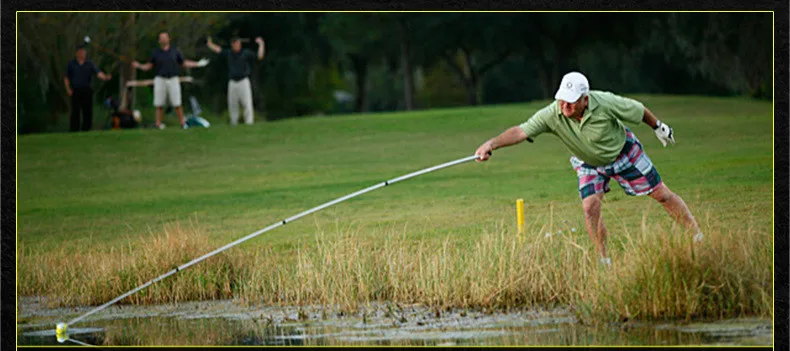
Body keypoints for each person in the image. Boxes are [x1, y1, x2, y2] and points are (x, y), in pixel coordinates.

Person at [474, 71, 703, 266]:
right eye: (562, 99)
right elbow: (521, 131)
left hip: (623, 153)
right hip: (589, 163)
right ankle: (603, 261)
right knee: (589, 208)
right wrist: (491, 144)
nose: (565, 105)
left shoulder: (605, 102)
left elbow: (638, 110)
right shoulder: (553, 113)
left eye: (571, 100)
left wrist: (659, 127)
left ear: (585, 99)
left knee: (661, 194)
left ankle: (697, 236)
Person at [132, 32, 209, 129]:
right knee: (159, 103)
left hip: (173, 79)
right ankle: (158, 124)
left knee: (177, 102)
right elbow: (148, 66)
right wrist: (139, 66)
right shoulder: (156, 53)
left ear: (169, 39)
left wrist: (197, 64)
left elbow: (183, 63)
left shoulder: (175, 51)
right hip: (160, 79)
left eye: (165, 38)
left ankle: (182, 123)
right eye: (161, 38)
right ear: (159, 41)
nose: (163, 39)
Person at [206, 36, 265, 125]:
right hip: (233, 82)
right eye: (233, 44)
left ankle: (249, 123)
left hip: (243, 81)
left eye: (236, 43)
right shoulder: (229, 53)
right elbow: (218, 49)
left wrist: (261, 44)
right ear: (232, 45)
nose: (235, 45)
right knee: (232, 104)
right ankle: (234, 123)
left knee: (247, 104)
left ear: (239, 44)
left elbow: (259, 56)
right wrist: (209, 43)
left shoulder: (246, 53)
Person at [64, 44, 112, 132]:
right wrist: (68, 89)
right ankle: (74, 129)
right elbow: (66, 78)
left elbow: (98, 73)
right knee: (75, 111)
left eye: (84, 52)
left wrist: (105, 77)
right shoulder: (71, 64)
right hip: (76, 90)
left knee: (87, 110)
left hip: (86, 90)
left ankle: (86, 129)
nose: (83, 53)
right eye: (81, 52)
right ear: (77, 53)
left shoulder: (89, 64)